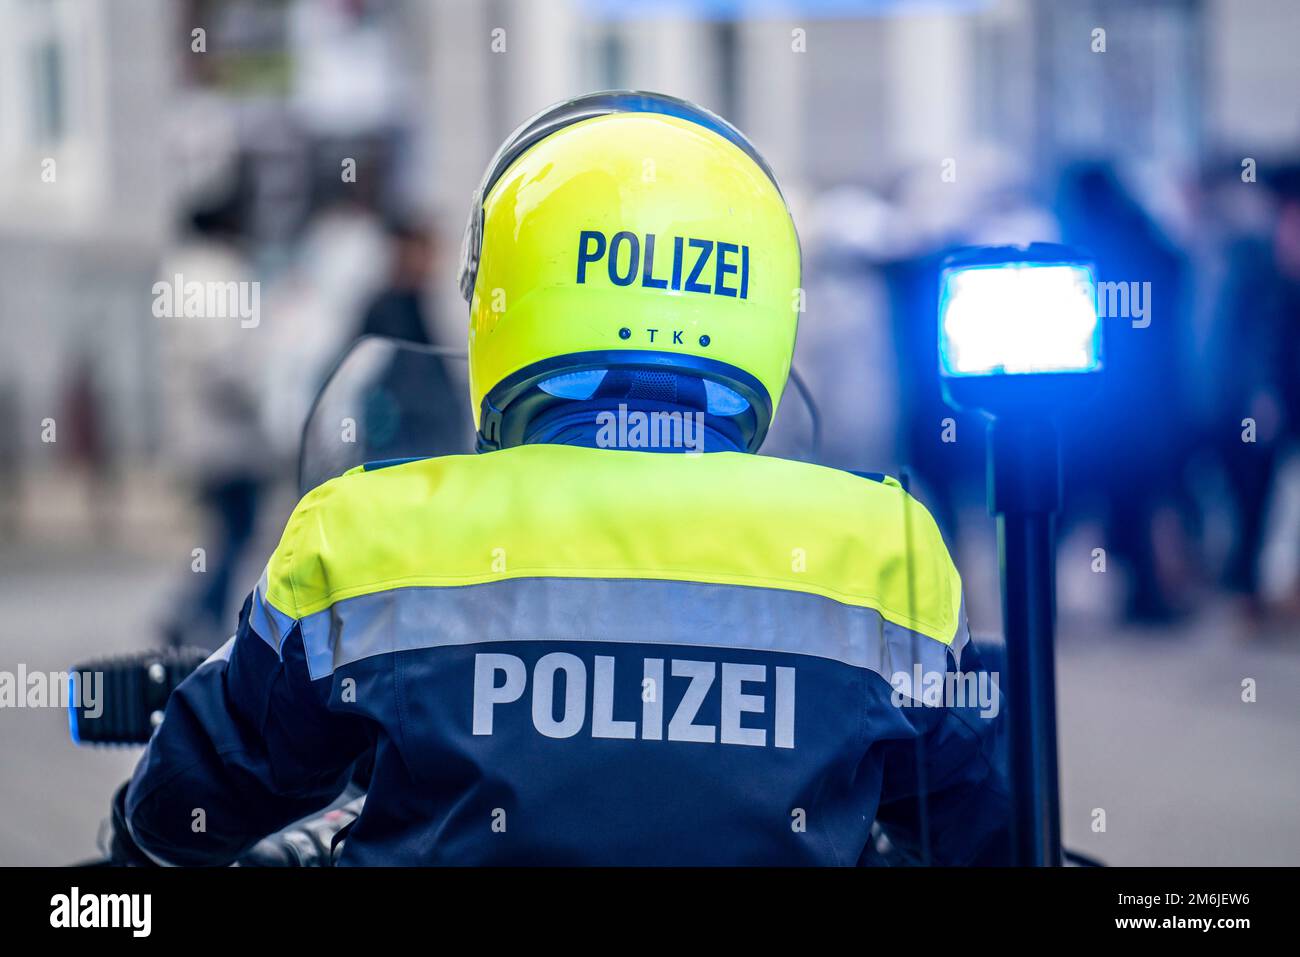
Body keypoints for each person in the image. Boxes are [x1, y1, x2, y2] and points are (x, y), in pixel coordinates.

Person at [116, 92, 1008, 866]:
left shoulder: (362, 538)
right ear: (763, 301)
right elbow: (993, 831)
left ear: (500, 293)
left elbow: (182, 812)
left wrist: (136, 831)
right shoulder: (885, 553)